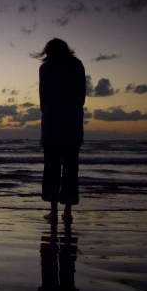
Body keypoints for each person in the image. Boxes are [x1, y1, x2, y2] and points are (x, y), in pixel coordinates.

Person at [31, 38, 86, 225]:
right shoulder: (77, 65)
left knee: (52, 168)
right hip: (73, 120)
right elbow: (82, 94)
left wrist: (47, 111)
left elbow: (43, 95)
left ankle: (53, 211)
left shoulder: (46, 69)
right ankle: (68, 212)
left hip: (53, 120)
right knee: (71, 169)